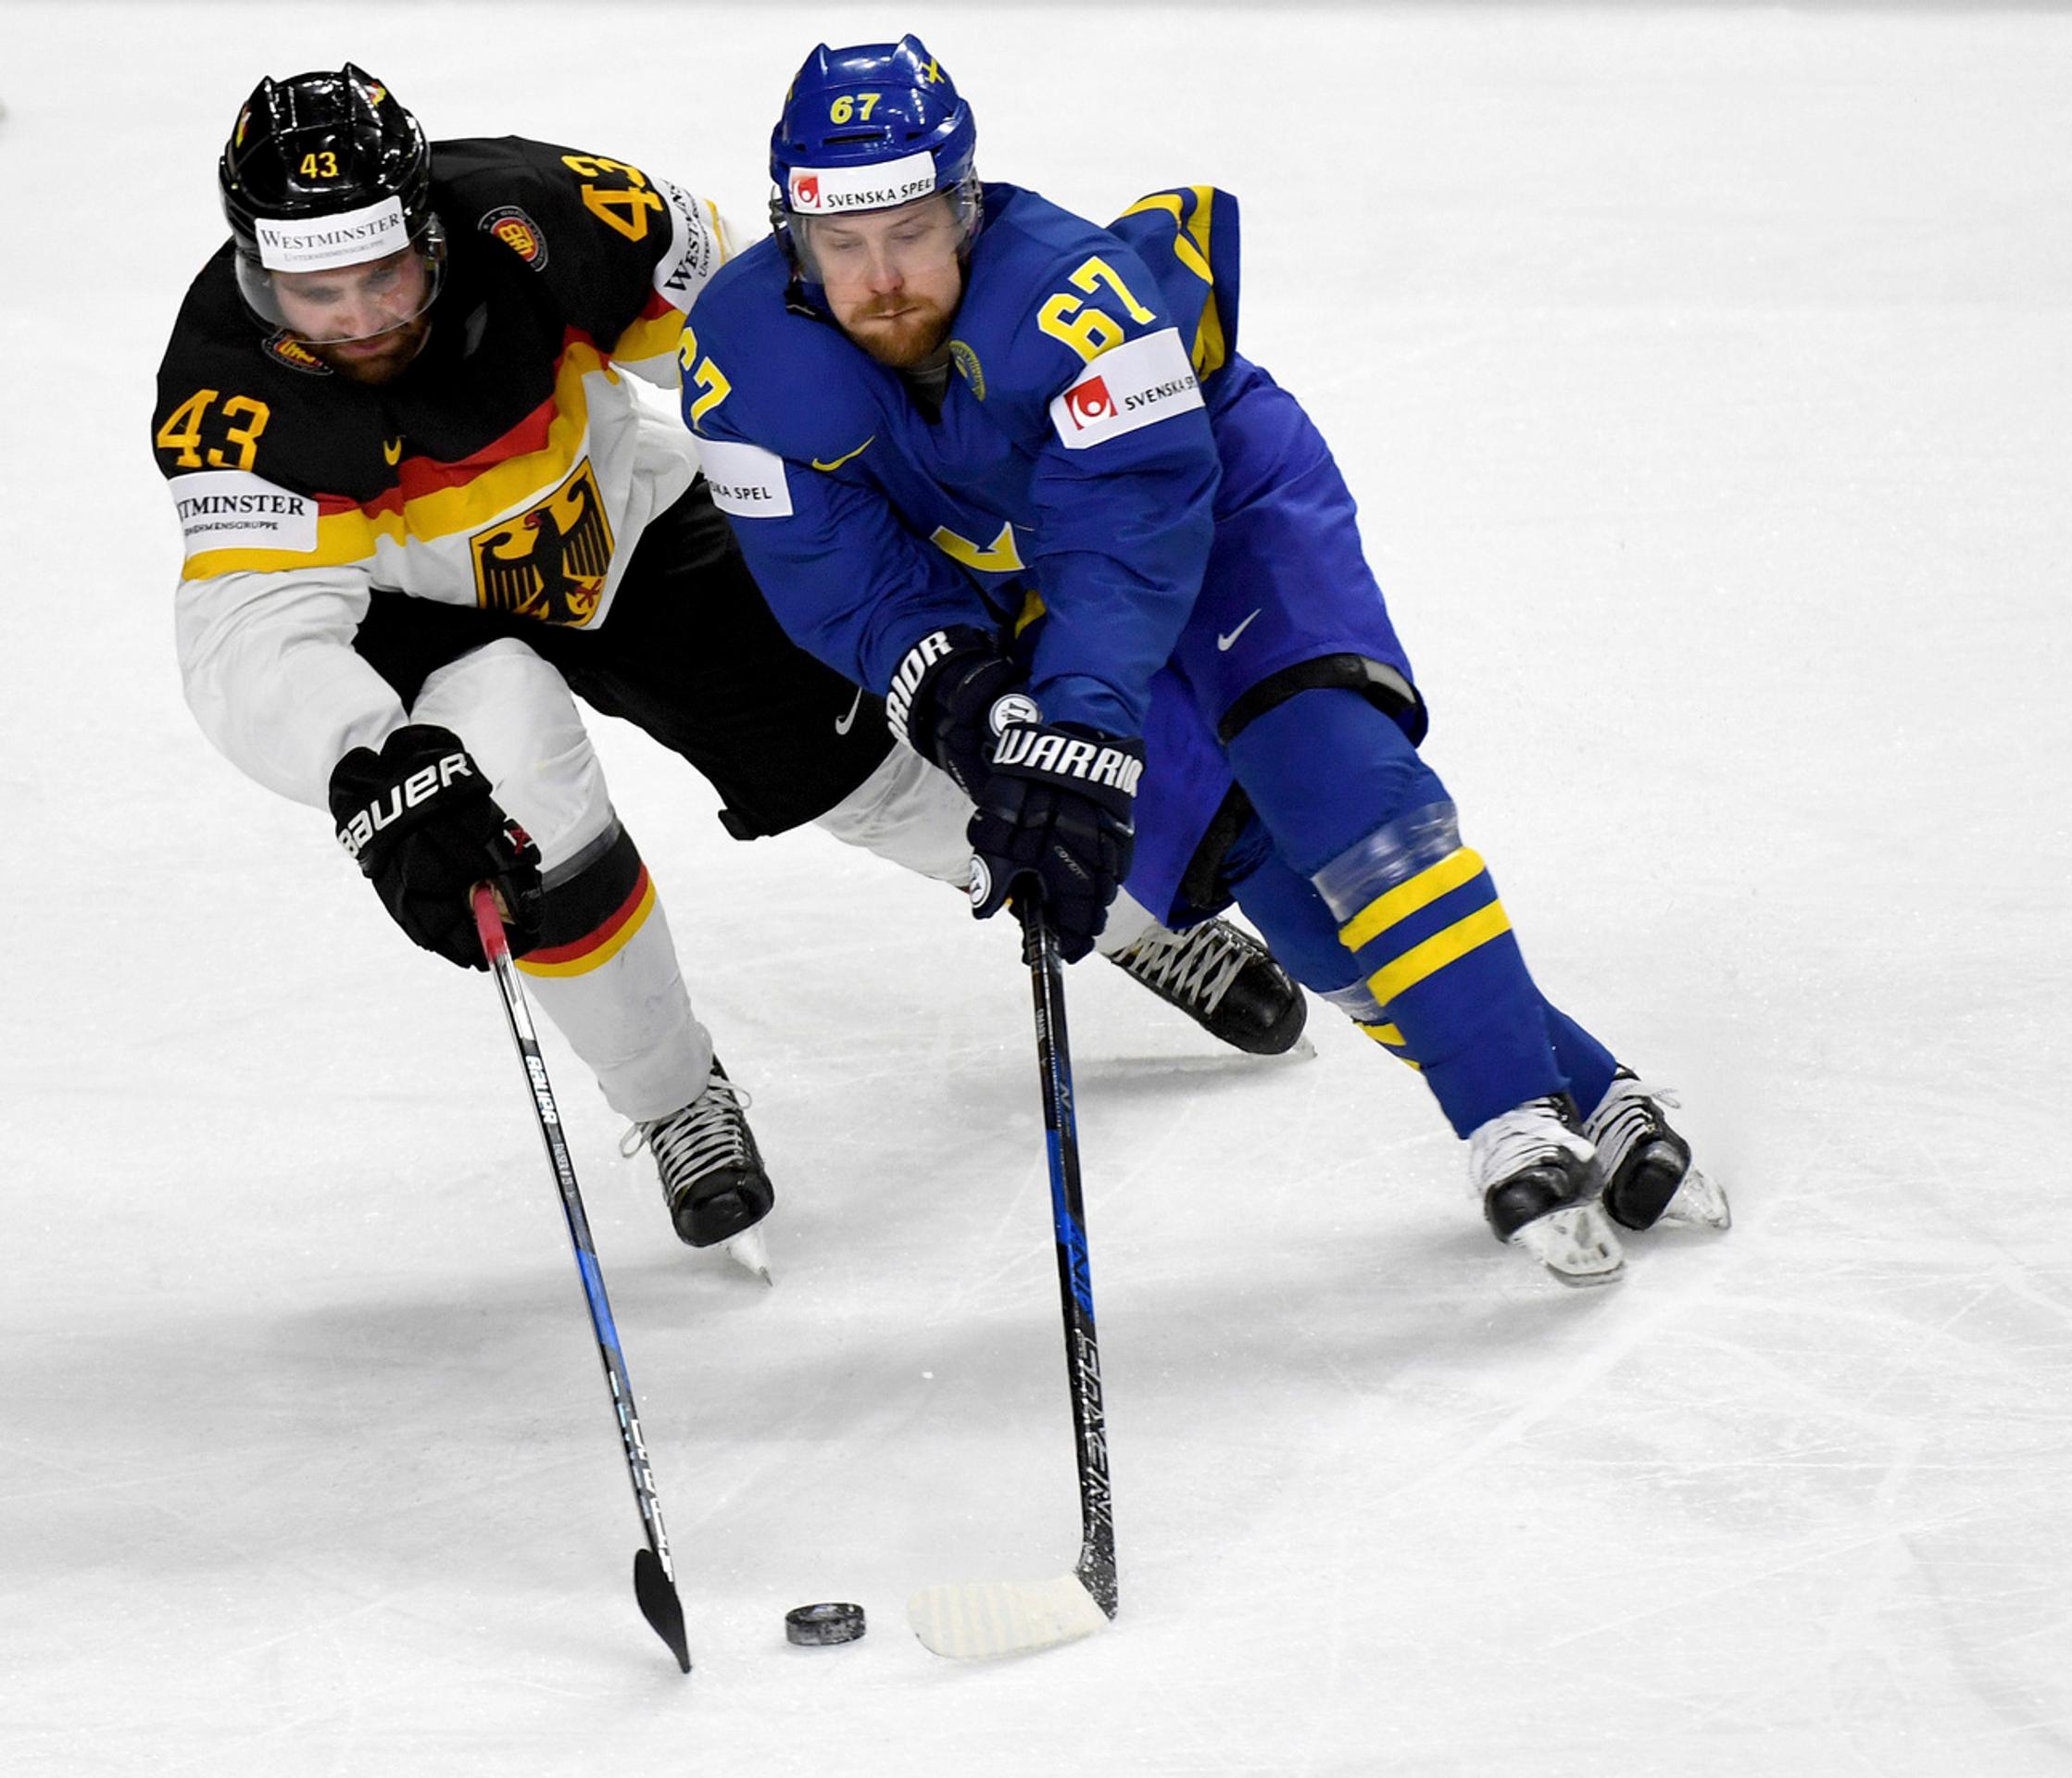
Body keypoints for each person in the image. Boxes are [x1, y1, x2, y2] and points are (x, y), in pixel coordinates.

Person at [150, 65, 1307, 1257]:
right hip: (425, 627)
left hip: (632, 528)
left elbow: (764, 327)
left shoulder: (551, 211)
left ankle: (1133, 917)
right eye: (314, 292)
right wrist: (368, 766)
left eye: (384, 276)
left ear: (430, 234)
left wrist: (890, 471)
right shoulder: (221, 397)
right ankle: (670, 1101)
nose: (359, 318)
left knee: (866, 763)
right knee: (521, 811)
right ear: (255, 268)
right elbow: (249, 624)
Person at [679, 37, 1730, 1285]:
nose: (881, 278)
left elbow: (1127, 530)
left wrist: (1076, 719)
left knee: (1334, 781)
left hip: (1221, 509)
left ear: (963, 207)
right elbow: (838, 579)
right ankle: (1595, 1094)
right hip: (1034, 594)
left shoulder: (1070, 292)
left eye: (908, 232)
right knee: (1275, 885)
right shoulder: (736, 358)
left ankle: (1509, 1116)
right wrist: (965, 704)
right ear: (793, 234)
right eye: (841, 244)